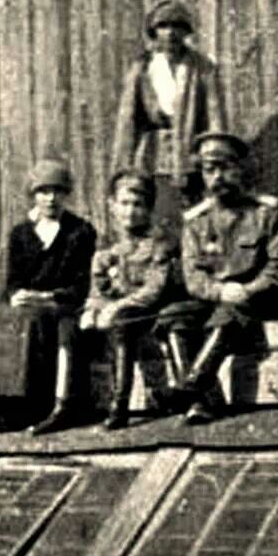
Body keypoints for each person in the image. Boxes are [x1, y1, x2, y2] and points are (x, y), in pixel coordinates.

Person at [154, 131, 278, 425]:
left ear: (241, 168)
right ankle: (198, 402)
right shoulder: (197, 221)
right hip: (217, 300)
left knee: (230, 312)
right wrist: (219, 291)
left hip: (260, 301)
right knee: (173, 316)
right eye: (209, 170)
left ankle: (187, 389)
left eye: (225, 167)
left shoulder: (268, 212)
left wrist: (248, 290)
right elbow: (194, 276)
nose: (217, 177)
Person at [0, 159, 97, 438]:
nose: (51, 198)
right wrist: (17, 295)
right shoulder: (21, 233)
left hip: (60, 305)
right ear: (34, 195)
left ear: (66, 195)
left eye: (57, 191)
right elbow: (13, 281)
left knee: (32, 321)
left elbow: (81, 285)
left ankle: (24, 409)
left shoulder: (80, 231)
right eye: (43, 191)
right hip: (28, 306)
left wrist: (46, 296)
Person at [111, 0, 227, 234]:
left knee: (195, 220)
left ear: (186, 31)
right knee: (158, 221)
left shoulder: (202, 68)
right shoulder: (143, 68)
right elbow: (127, 120)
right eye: (163, 26)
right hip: (153, 158)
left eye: (177, 26)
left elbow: (215, 116)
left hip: (191, 157)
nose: (170, 33)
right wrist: (123, 167)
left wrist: (215, 160)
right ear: (153, 31)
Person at [79, 170, 180, 430]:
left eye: (138, 205)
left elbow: (154, 290)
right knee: (89, 325)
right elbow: (98, 287)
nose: (130, 212)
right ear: (112, 205)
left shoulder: (159, 243)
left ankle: (119, 405)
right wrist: (93, 309)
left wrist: (114, 308)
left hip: (153, 310)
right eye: (124, 203)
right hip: (122, 313)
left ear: (149, 209)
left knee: (121, 323)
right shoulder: (107, 244)